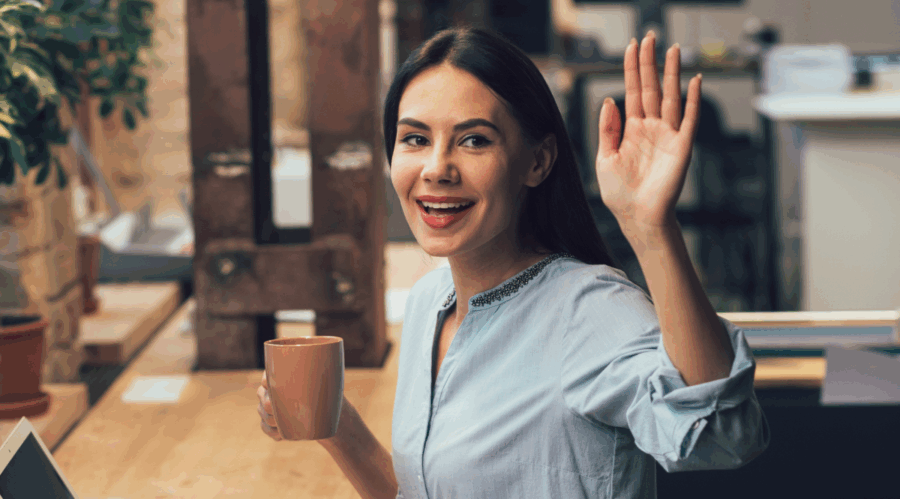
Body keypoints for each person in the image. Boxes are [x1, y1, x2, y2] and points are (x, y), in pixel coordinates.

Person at [257, 26, 769, 499]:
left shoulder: (589, 309)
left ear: (537, 161)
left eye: (474, 140)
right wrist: (341, 429)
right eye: (415, 139)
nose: (436, 168)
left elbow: (720, 438)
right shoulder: (428, 303)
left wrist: (651, 228)